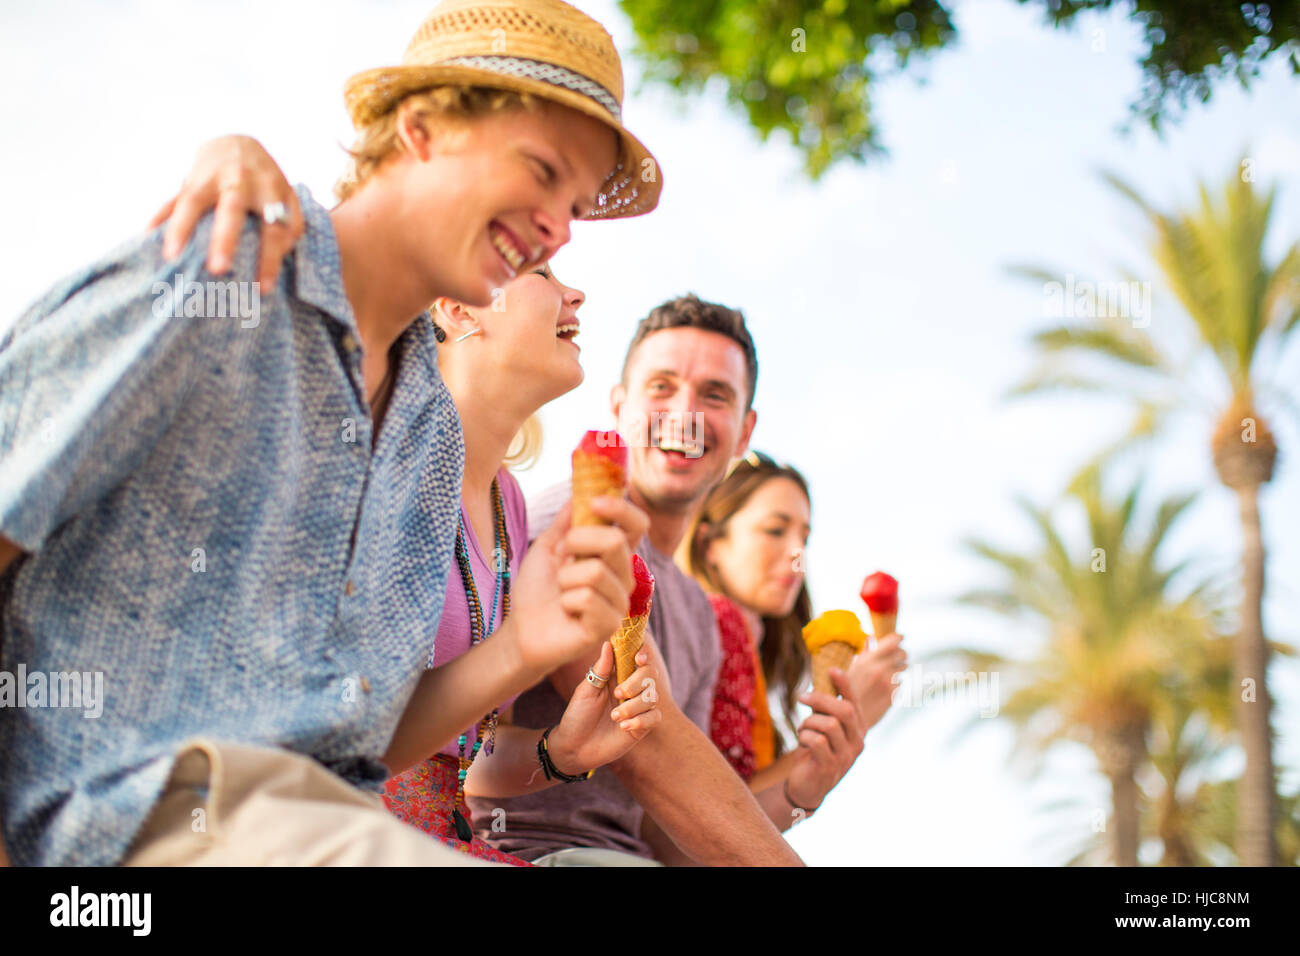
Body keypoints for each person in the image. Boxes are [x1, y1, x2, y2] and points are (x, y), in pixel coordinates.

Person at [0, 0, 657, 866]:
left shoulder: (429, 434)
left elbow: (354, 755)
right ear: (420, 129)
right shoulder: (224, 275)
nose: (559, 228)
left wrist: (525, 644)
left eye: (574, 205)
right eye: (541, 171)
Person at [466, 295, 890, 865]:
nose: (686, 412)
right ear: (619, 408)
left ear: (745, 434)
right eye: (661, 387)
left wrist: (801, 788)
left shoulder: (698, 614)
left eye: (715, 395)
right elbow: (650, 745)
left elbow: (672, 835)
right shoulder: (579, 520)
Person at [379, 265, 665, 866]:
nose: (576, 292)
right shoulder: (384, 457)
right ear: (458, 307)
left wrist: (558, 751)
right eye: (540, 271)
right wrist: (523, 647)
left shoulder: (508, 504)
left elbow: (465, 756)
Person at [679, 451, 906, 800]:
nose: (796, 553)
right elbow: (721, 810)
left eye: (804, 538)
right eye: (775, 530)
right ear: (710, 544)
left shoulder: (742, 645)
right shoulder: (720, 621)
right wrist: (847, 716)